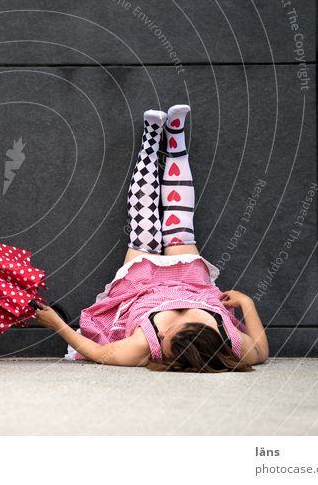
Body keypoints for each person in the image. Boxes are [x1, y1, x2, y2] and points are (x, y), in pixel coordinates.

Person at [34, 105, 269, 372]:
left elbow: (98, 352)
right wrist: (247, 303)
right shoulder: (231, 343)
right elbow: (261, 351)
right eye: (166, 338)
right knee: (180, 223)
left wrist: (58, 325)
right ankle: (175, 137)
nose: (159, 337)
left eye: (163, 346)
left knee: (143, 227)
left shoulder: (146, 344)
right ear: (206, 335)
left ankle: (151, 137)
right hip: (192, 283)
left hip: (140, 288)